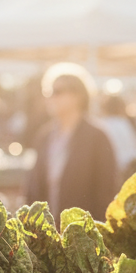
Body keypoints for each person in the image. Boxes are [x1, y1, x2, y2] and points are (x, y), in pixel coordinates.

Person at [25, 63, 117, 220]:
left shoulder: (97, 137)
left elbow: (107, 192)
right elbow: (33, 189)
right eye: (48, 92)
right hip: (49, 236)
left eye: (57, 92)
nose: (49, 98)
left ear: (78, 95)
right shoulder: (44, 136)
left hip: (84, 234)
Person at [99, 93, 136, 177]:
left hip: (111, 170)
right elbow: (134, 147)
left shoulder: (102, 124)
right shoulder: (124, 123)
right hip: (126, 169)